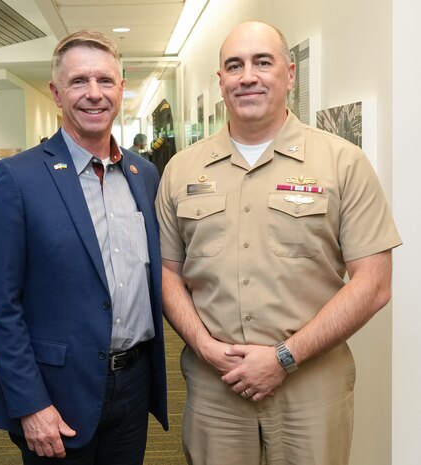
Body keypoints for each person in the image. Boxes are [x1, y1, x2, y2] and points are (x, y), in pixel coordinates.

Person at [155, 21, 401, 465]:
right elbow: (168, 274)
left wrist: (284, 357)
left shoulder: (343, 163)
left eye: (262, 62)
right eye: (235, 65)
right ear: (221, 82)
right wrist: (205, 347)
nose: (247, 75)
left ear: (289, 74)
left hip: (311, 386)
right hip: (217, 387)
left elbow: (374, 283)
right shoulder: (181, 170)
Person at [0, 30, 168, 465]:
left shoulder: (144, 174)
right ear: (57, 93)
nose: (94, 94)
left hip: (135, 384)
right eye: (79, 81)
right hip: (57, 394)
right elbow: (0, 306)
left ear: (122, 87)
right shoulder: (18, 178)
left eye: (105, 80)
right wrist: (29, 403)